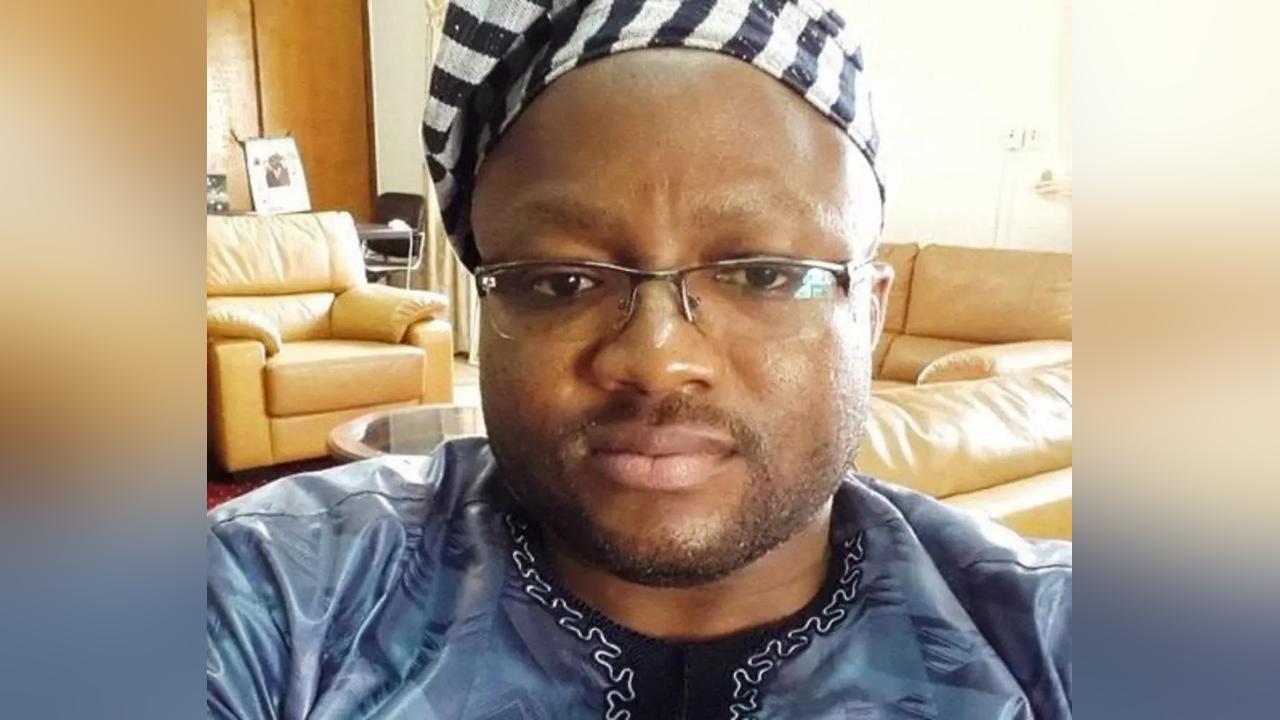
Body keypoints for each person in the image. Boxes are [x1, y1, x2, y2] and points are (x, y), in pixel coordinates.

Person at [207, 0, 1071, 718]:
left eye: (763, 274)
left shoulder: (1057, 642)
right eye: (561, 281)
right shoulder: (281, 595)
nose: (657, 360)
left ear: (868, 312)